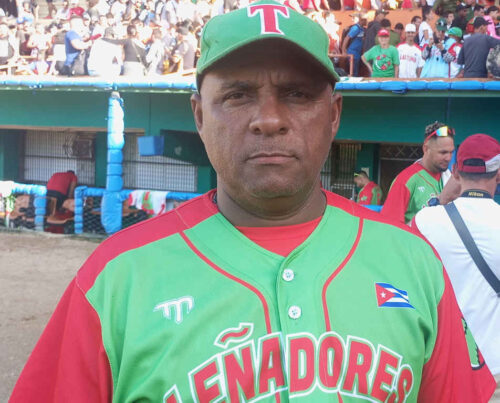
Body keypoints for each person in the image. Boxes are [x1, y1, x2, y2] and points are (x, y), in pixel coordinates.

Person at [10, 2, 496, 401]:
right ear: (199, 116)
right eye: (238, 95)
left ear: (334, 115)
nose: (269, 119)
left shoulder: (414, 263)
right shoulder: (114, 279)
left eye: (297, 94)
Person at [413, 133, 500, 399]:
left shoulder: (424, 221)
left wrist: (441, 198)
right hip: (494, 370)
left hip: (440, 371)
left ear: (456, 173)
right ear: (498, 174)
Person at [381, 121, 455, 224]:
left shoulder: (450, 178)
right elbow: (390, 226)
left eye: (451, 152)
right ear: (426, 149)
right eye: (443, 152)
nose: (448, 158)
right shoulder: (405, 181)